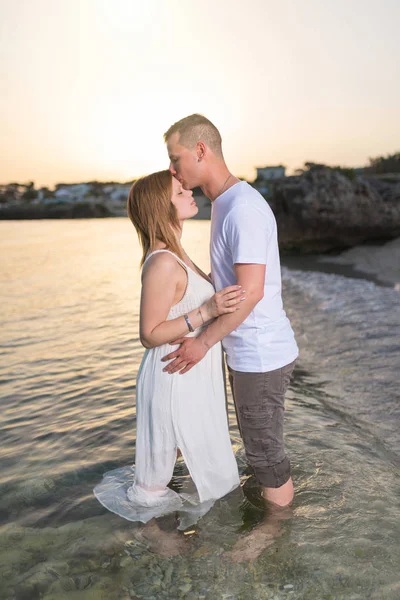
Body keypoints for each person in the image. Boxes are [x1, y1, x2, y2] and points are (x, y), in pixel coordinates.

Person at [162, 114, 299, 508]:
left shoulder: (242, 209)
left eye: (177, 158)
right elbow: (228, 282)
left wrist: (202, 343)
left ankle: (273, 539)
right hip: (248, 350)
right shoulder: (224, 204)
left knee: (265, 456)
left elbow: (251, 293)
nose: (173, 169)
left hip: (260, 354)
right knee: (261, 449)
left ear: (201, 150)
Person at [94, 169, 242, 528]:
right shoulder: (162, 262)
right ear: (163, 207)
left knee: (190, 457)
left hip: (188, 373)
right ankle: (156, 553)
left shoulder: (177, 255)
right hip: (171, 375)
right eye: (179, 191)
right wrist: (206, 311)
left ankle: (189, 548)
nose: (189, 191)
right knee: (154, 481)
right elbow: (149, 333)